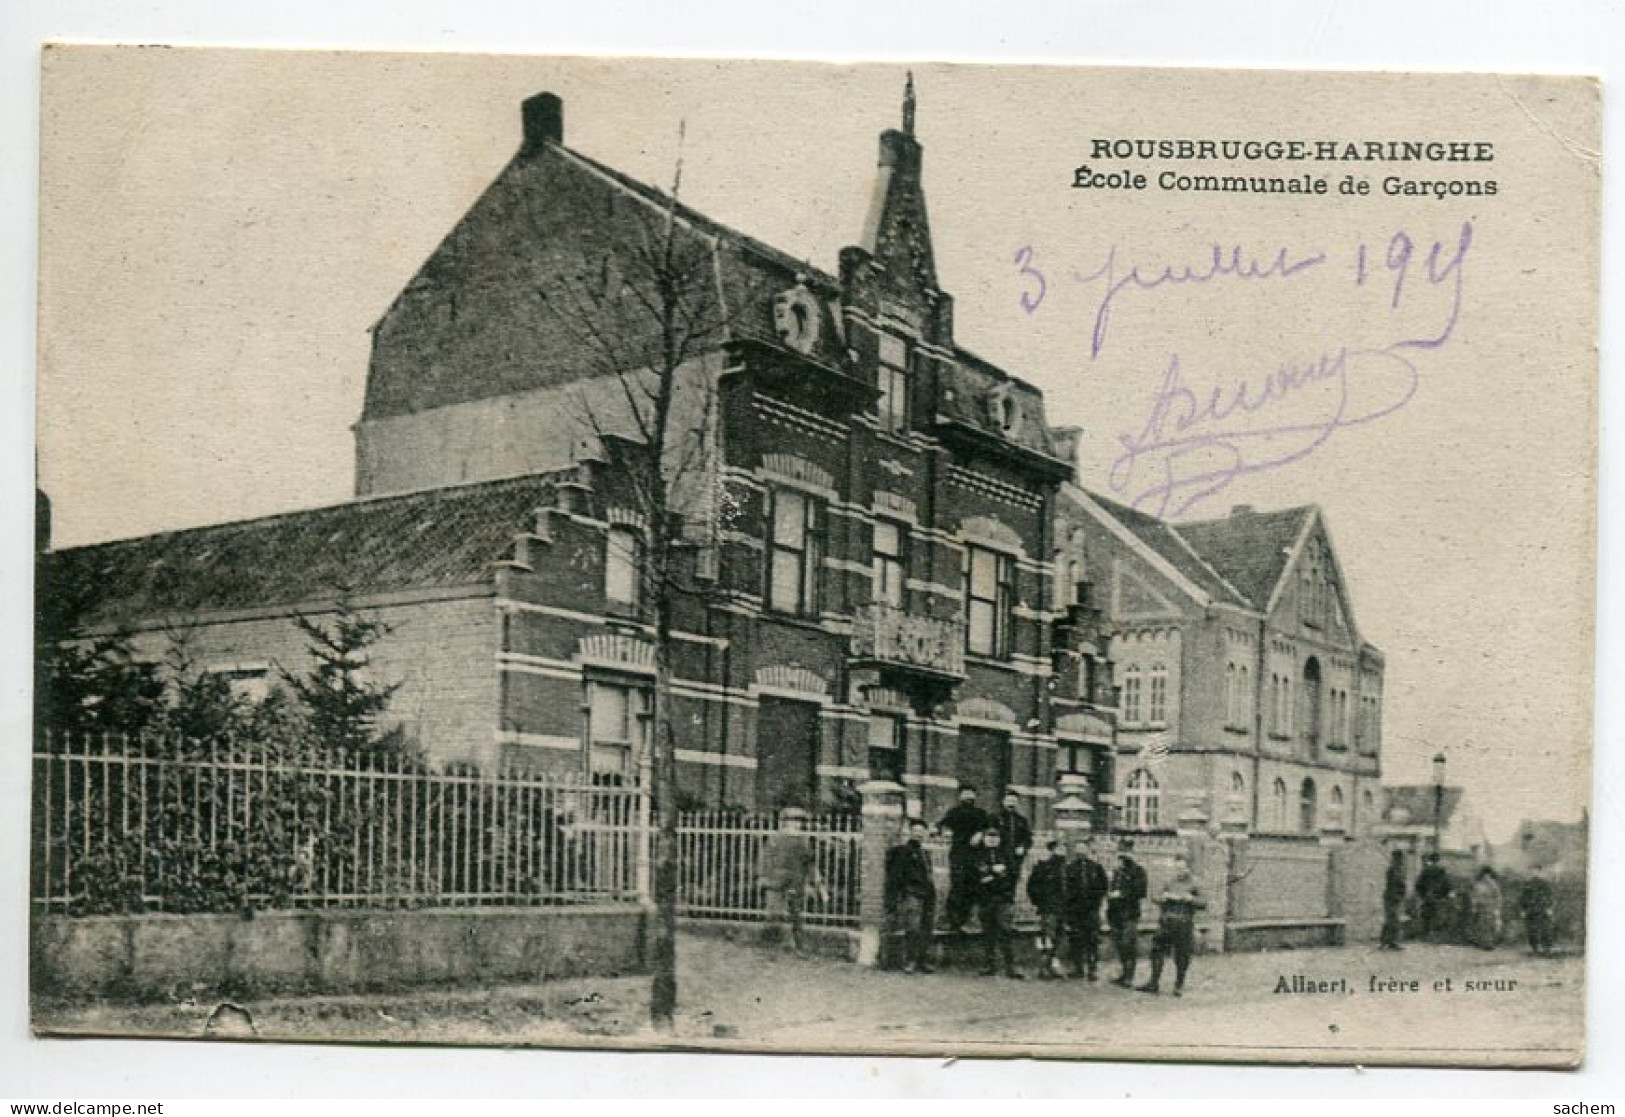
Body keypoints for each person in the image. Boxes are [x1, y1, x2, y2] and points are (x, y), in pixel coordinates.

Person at [1138, 853, 1205, 996]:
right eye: (1177, 868)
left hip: (1184, 923)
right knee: (1157, 951)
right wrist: (1164, 897)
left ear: (1188, 868)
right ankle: (1153, 982)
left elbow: (1204, 902)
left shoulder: (1195, 883)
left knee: (1182, 955)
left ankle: (1178, 985)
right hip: (1166, 922)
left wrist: (1190, 899)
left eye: (1182, 868)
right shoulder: (1169, 881)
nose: (1179, 871)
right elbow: (1155, 896)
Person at [758, 807, 823, 953]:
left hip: (796, 880)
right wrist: (763, 876)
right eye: (792, 821)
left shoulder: (803, 841)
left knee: (796, 914)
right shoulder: (775, 838)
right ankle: (770, 946)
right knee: (774, 913)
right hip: (776, 880)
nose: (796, 824)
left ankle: (799, 946)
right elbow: (766, 858)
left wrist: (815, 880)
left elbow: (809, 862)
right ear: (784, 822)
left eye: (799, 821)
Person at [885, 818, 938, 974]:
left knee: (926, 928)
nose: (918, 835)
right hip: (912, 893)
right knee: (913, 928)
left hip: (928, 895)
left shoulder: (925, 853)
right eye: (915, 832)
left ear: (926, 834)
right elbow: (895, 876)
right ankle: (911, 961)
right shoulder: (902, 851)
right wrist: (893, 899)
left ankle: (923, 960)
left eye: (921, 832)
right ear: (909, 833)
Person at [937, 786, 990, 934]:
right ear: (960, 796)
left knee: (974, 887)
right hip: (959, 855)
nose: (968, 796)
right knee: (958, 886)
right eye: (965, 794)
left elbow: (990, 829)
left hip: (976, 856)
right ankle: (954, 922)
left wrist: (981, 833)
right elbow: (941, 826)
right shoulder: (954, 812)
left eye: (971, 794)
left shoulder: (981, 814)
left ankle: (969, 920)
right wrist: (945, 832)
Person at [973, 827, 1023, 978]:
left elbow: (1013, 874)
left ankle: (1011, 966)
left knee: (1006, 930)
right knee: (988, 933)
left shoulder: (1006, 855)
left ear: (1000, 839)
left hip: (1003, 898)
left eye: (995, 837)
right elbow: (976, 875)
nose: (992, 839)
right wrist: (996, 873)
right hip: (985, 900)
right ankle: (989, 965)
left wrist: (993, 876)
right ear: (984, 839)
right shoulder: (978, 855)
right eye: (989, 836)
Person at [1062, 835, 1111, 980]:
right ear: (1075, 851)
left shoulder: (1096, 868)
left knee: (1092, 940)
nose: (1081, 851)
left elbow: (1104, 886)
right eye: (1078, 848)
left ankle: (1092, 969)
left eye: (1084, 848)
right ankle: (1078, 968)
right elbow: (1066, 889)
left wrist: (1096, 901)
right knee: (1076, 939)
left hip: (1091, 910)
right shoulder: (1070, 868)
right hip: (1075, 910)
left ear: (1088, 850)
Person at [1106, 839, 1149, 987]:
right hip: (1115, 914)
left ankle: (1129, 976)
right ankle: (1124, 973)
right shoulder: (1117, 872)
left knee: (1128, 944)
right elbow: (1110, 888)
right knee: (1119, 944)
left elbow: (1141, 891)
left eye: (1125, 852)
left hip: (1129, 914)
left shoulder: (1138, 871)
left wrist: (1121, 894)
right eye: (1120, 852)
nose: (1122, 855)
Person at [1025, 840, 1067, 978]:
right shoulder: (1043, 867)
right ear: (1052, 850)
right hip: (1049, 909)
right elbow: (1032, 886)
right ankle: (1043, 968)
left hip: (1063, 909)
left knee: (1059, 940)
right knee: (1048, 939)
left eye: (1064, 848)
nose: (1062, 851)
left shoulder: (1067, 868)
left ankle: (1053, 966)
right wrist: (1040, 903)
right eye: (1059, 848)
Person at [990, 789, 1034, 870]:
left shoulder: (1022, 820)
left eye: (1014, 801)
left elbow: (1028, 838)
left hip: (1016, 858)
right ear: (1003, 802)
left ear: (1017, 803)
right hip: (999, 856)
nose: (1011, 804)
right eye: (1008, 801)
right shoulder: (995, 818)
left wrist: (1023, 847)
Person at [1414, 852, 1453, 942]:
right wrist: (1444, 895)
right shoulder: (1442, 870)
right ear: (1438, 860)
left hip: (1427, 896)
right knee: (1437, 916)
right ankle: (1435, 935)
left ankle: (1426, 935)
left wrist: (1422, 895)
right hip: (1438, 897)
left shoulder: (1425, 870)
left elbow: (1418, 884)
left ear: (1430, 860)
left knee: (1427, 915)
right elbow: (1447, 884)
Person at [1519, 866, 1556, 956]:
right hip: (1531, 910)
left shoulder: (1545, 884)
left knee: (1545, 929)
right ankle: (1535, 949)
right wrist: (1523, 910)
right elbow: (1523, 898)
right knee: (1532, 930)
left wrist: (1550, 908)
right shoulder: (1527, 884)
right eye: (1532, 871)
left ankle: (1547, 949)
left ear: (1540, 872)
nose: (1534, 873)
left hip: (1542, 909)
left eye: (1536, 871)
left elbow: (1550, 896)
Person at [1468, 865, 1503, 951]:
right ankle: (1480, 942)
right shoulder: (1478, 884)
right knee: (1480, 924)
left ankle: (1489, 943)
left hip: (1490, 906)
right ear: (1482, 875)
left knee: (1490, 925)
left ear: (1490, 875)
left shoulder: (1494, 885)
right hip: (1480, 906)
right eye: (1484, 875)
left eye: (1488, 875)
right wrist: (1474, 906)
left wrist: (1497, 908)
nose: (1486, 877)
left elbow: (1498, 897)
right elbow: (1474, 896)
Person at [1380, 849, 1407, 950]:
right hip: (1391, 897)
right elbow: (1394, 884)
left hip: (1396, 897)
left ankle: (1391, 941)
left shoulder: (1399, 869)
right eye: (1399, 858)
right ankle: (1387, 941)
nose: (1400, 860)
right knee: (1391, 920)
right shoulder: (1392, 870)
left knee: (1393, 920)